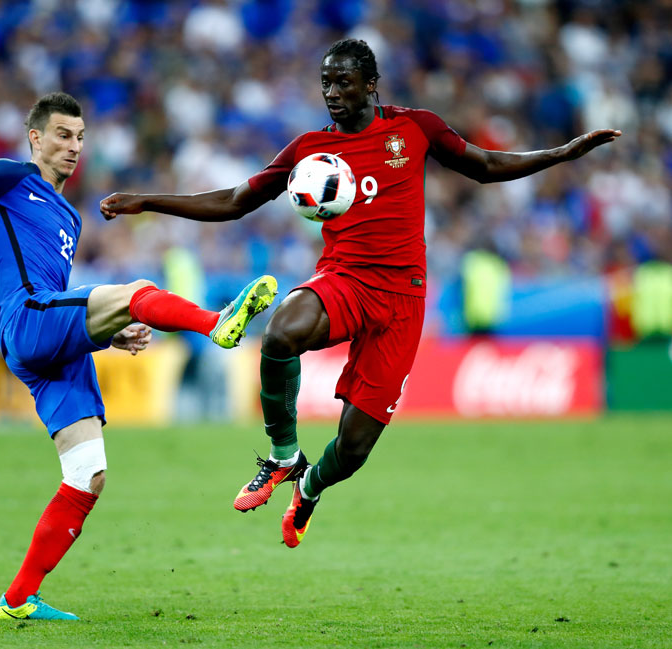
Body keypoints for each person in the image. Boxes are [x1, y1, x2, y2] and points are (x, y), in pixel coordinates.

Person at [100, 39, 621, 549]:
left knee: (352, 449)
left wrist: (563, 153)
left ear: (370, 85)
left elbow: (483, 166)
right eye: (325, 82)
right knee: (281, 331)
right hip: (345, 280)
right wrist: (146, 200)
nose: (331, 92)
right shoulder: (310, 149)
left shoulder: (414, 127)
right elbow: (236, 200)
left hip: (403, 299)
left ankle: (309, 488)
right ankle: (283, 456)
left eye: (343, 82)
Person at [0, 92, 277, 619]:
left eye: (80, 137)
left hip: (51, 340)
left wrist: (111, 334)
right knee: (136, 289)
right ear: (35, 137)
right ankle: (216, 324)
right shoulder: (11, 176)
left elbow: (64, 294)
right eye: (62, 135)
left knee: (88, 474)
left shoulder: (71, 219)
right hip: (26, 316)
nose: (73, 147)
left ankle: (17, 600)